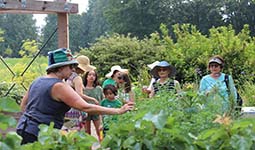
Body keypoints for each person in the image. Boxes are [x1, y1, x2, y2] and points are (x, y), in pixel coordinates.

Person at [16, 48, 134, 145]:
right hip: (40, 135)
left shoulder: (37, 81)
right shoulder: (59, 86)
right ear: (60, 67)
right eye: (70, 66)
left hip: (24, 128)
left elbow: (23, 105)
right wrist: (118, 110)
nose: (73, 69)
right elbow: (86, 107)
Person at [64, 55, 98, 130]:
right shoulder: (77, 78)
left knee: (67, 131)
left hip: (67, 107)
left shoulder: (68, 76)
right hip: (75, 108)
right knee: (74, 132)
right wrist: (92, 99)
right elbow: (79, 95)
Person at [83, 70, 104, 142]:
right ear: (86, 76)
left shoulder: (98, 89)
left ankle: (102, 145)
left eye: (94, 75)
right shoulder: (82, 89)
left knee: (100, 131)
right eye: (89, 75)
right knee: (87, 132)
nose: (92, 76)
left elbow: (102, 100)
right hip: (85, 112)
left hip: (97, 112)